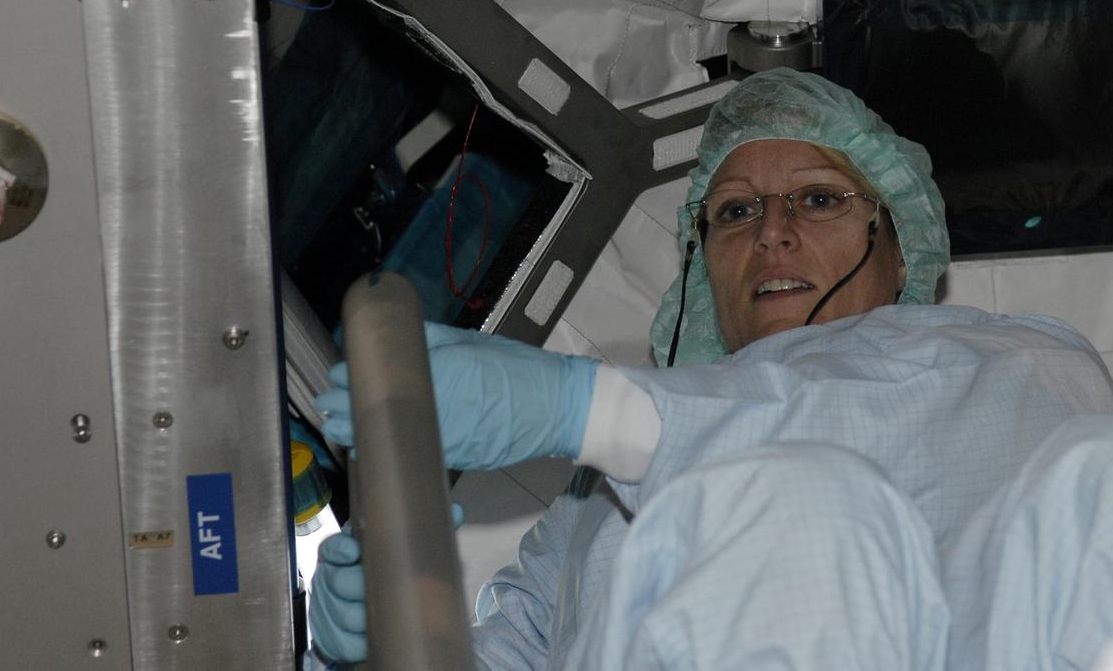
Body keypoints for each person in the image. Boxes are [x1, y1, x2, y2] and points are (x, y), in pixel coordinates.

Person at [308, 68, 1113, 670]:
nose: (772, 232)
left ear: (901, 248)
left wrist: (589, 409)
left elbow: (849, 416)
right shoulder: (591, 506)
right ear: (702, 273)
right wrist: (378, 644)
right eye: (735, 211)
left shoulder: (1014, 363)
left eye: (821, 199)